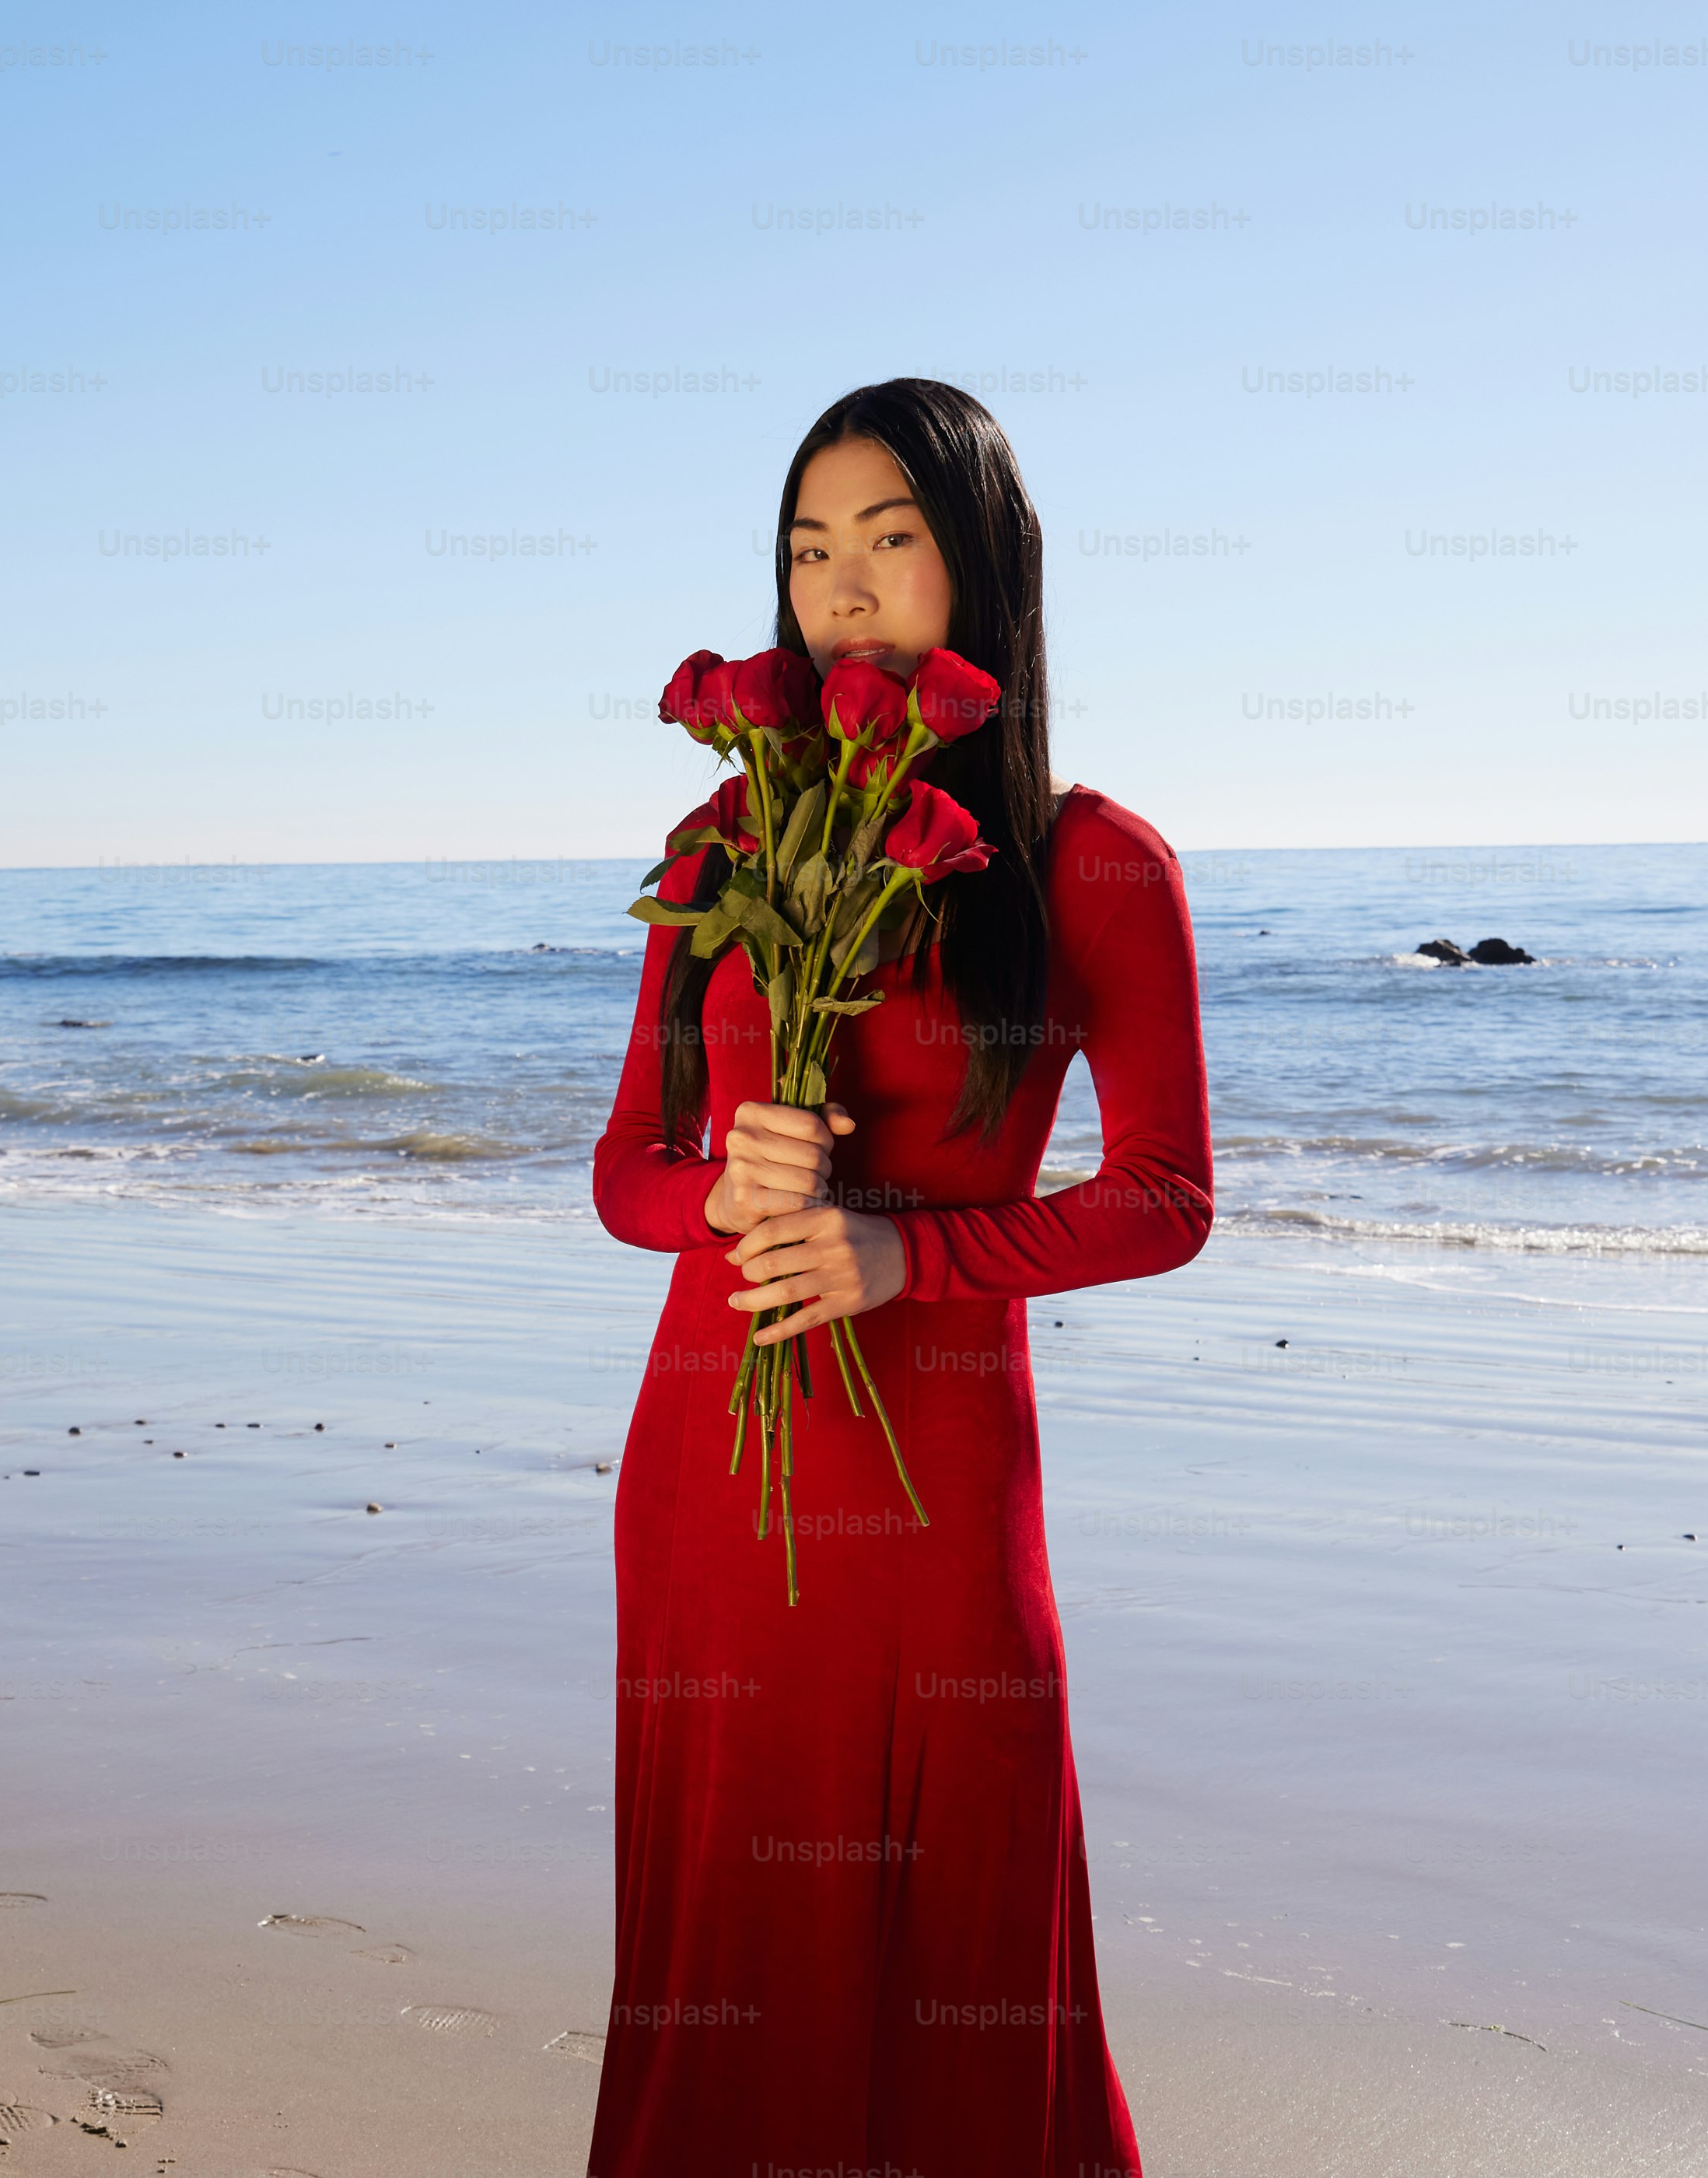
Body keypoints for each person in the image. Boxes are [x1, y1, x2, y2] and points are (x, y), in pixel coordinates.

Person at [588, 378, 1213, 2174]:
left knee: (963, 1930)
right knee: (722, 1952)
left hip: (937, 1484)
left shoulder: (1093, 861)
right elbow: (628, 1171)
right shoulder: (720, 848)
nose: (841, 588)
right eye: (807, 550)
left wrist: (901, 1251)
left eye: (889, 539)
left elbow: (1166, 1197)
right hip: (712, 1465)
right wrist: (728, 1192)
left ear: (985, 567)